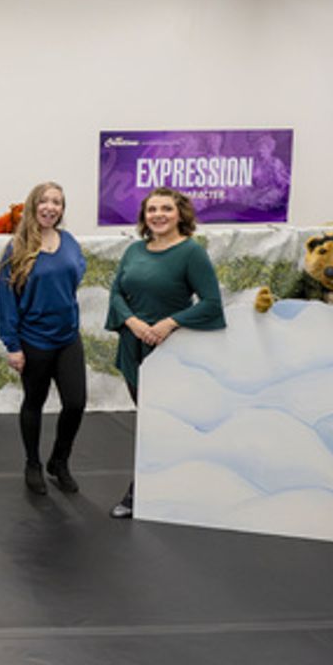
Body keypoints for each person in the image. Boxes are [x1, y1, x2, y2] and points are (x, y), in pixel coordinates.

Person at [105, 187, 224, 518]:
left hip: (170, 353)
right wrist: (131, 322)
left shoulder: (191, 253)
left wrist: (168, 323)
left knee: (160, 423)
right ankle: (160, 487)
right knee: (147, 422)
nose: (158, 214)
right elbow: (116, 293)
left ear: (180, 214)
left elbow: (212, 303)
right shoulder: (133, 251)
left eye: (166, 209)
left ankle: (140, 493)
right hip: (134, 346)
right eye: (151, 209)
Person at [0, 181, 87, 495]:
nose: (51, 207)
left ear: (62, 209)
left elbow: (76, 275)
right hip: (34, 340)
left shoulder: (70, 242)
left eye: (57, 202)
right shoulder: (17, 248)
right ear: (33, 205)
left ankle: (59, 461)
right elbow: (5, 299)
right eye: (45, 201)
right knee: (34, 402)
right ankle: (32, 463)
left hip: (68, 338)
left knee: (75, 403)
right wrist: (13, 346)